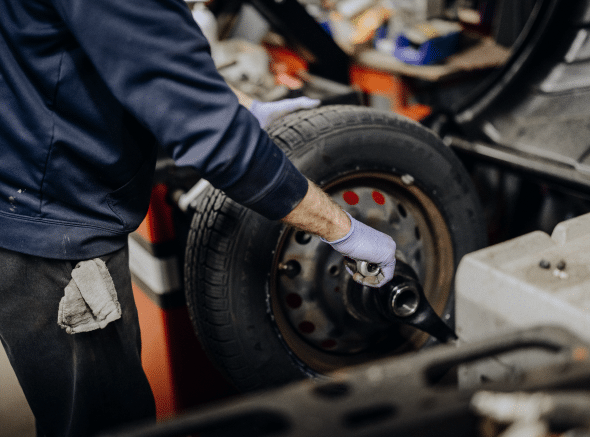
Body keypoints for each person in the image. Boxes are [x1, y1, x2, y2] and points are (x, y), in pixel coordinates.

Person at [0, 0, 397, 435]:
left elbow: (118, 55)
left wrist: (231, 107)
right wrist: (346, 231)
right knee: (105, 421)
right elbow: (216, 142)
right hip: (50, 231)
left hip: (27, 190)